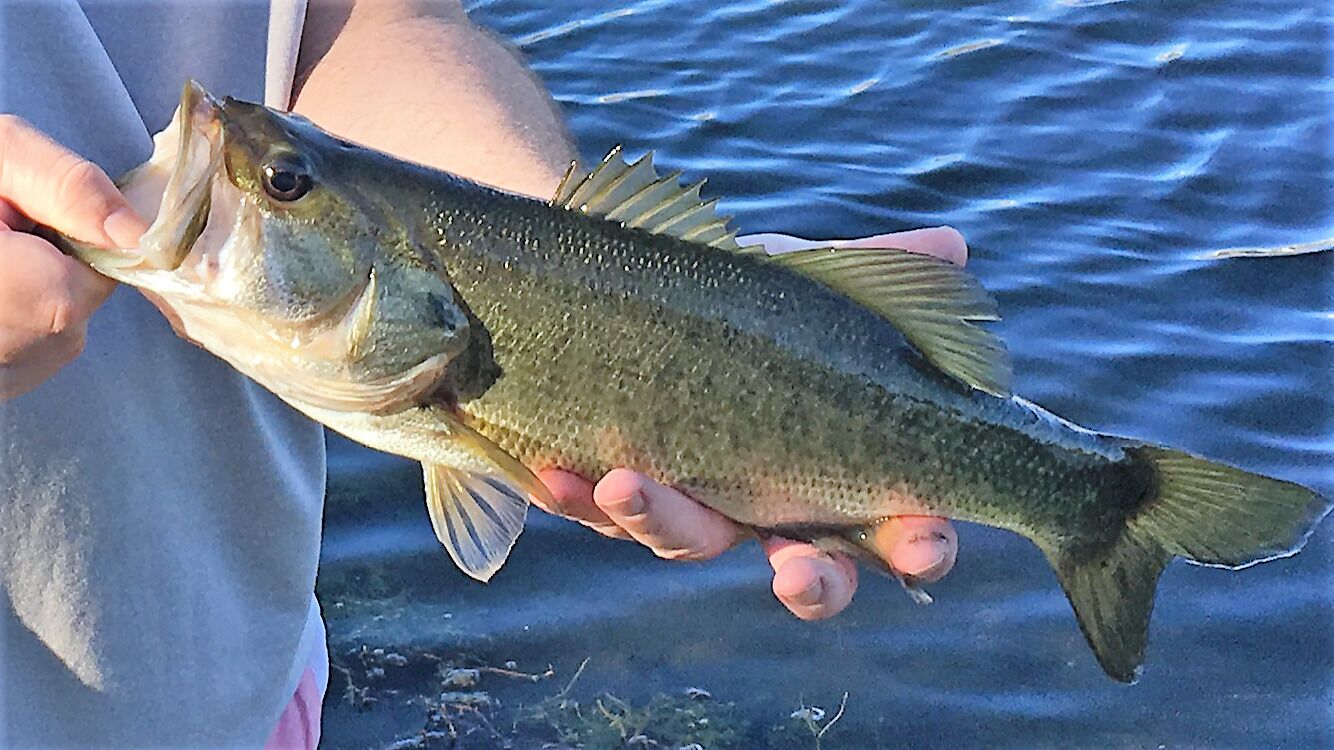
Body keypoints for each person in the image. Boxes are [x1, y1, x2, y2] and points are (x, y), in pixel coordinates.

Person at [0, 1, 959, 746]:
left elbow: (360, 21)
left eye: (280, 184)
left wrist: (581, 271)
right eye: (282, 185)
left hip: (246, 687)